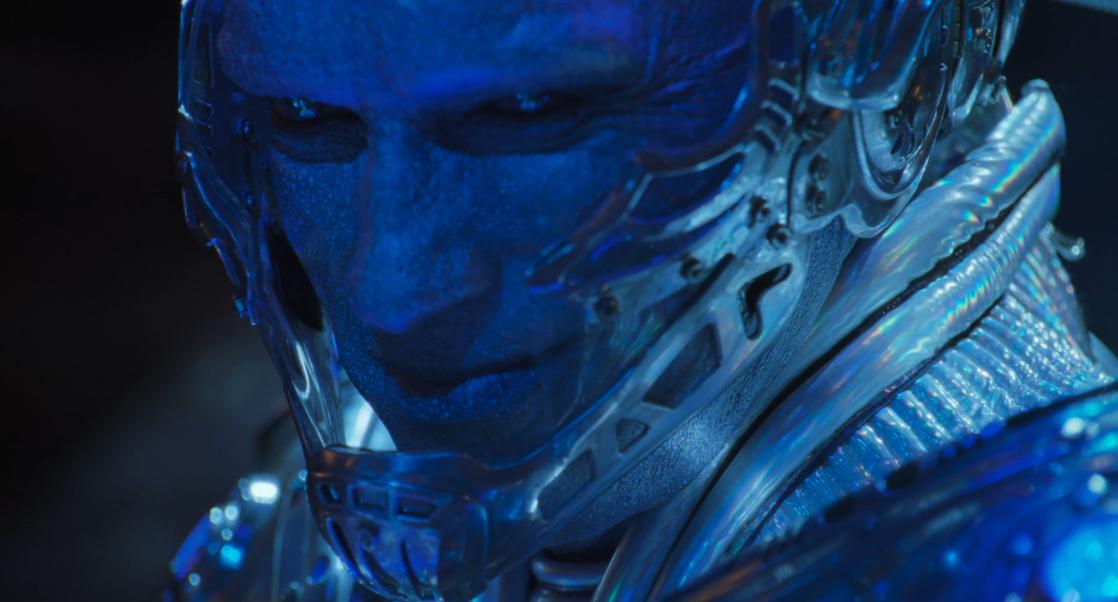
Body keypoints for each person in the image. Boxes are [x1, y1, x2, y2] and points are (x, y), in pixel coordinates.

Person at [166, 1, 1118, 601]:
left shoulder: (1058, 565)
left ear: (880, 70)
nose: (394, 293)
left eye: (534, 111)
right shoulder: (297, 546)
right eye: (303, 117)